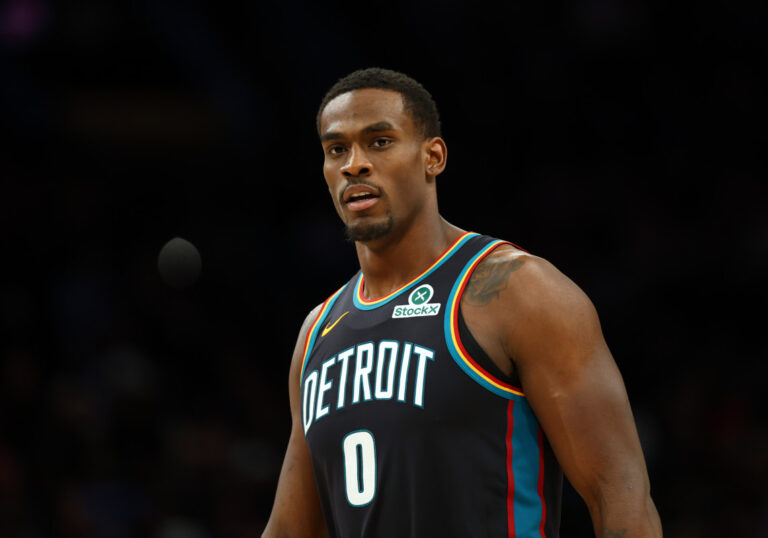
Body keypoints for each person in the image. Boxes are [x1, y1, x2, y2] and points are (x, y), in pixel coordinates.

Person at [262, 68, 662, 538]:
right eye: (336, 149)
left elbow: (621, 499)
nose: (355, 165)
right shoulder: (317, 333)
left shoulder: (517, 291)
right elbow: (289, 528)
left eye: (379, 142)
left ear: (432, 157)